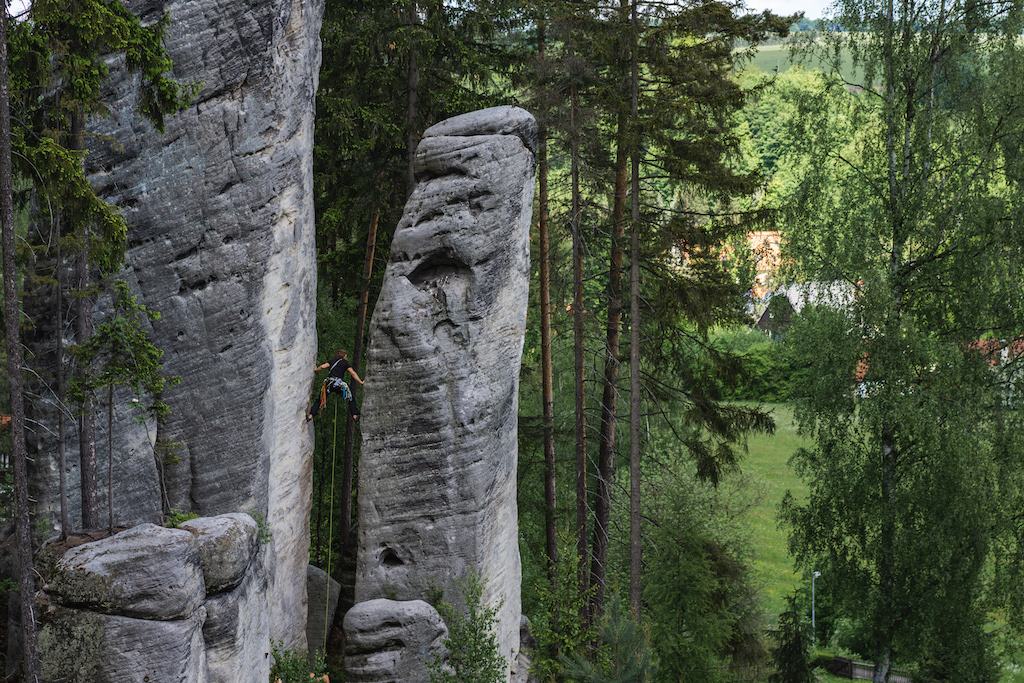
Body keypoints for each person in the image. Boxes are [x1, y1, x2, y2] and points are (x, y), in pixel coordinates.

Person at [307, 349, 364, 422]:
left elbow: (323, 367)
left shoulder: (331, 362)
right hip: (340, 385)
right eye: (345, 355)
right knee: (351, 399)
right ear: (343, 355)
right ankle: (355, 416)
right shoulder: (345, 363)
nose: (346, 356)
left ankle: (311, 415)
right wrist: (361, 382)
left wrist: (316, 370)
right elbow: (353, 373)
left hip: (329, 384)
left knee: (320, 399)